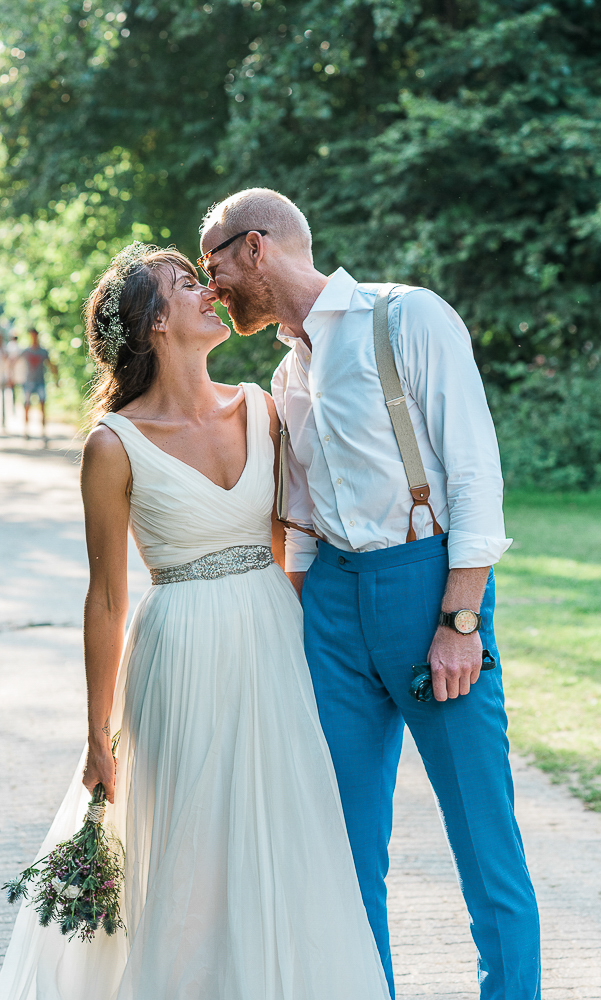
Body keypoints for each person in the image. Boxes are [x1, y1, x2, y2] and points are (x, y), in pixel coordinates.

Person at [0, 243, 390, 1000]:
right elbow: (107, 598)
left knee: (289, 838)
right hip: (177, 653)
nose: (208, 288)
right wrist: (95, 733)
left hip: (272, 640)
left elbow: (287, 543)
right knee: (192, 856)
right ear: (153, 326)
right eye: (185, 284)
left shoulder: (261, 405)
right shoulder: (112, 447)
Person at [199, 188, 542, 1000]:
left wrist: (461, 618)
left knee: (485, 842)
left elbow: (473, 474)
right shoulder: (287, 372)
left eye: (212, 265)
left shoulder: (409, 319)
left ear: (256, 249)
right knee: (342, 852)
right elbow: (307, 520)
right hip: (332, 604)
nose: (210, 289)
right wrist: (292, 626)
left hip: (430, 592)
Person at [22, 327, 57, 440]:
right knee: (27, 406)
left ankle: (43, 432)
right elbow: (14, 362)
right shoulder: (26, 351)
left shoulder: (43, 351)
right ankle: (26, 431)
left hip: (40, 382)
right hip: (28, 383)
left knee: (42, 405)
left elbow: (51, 365)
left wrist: (56, 379)